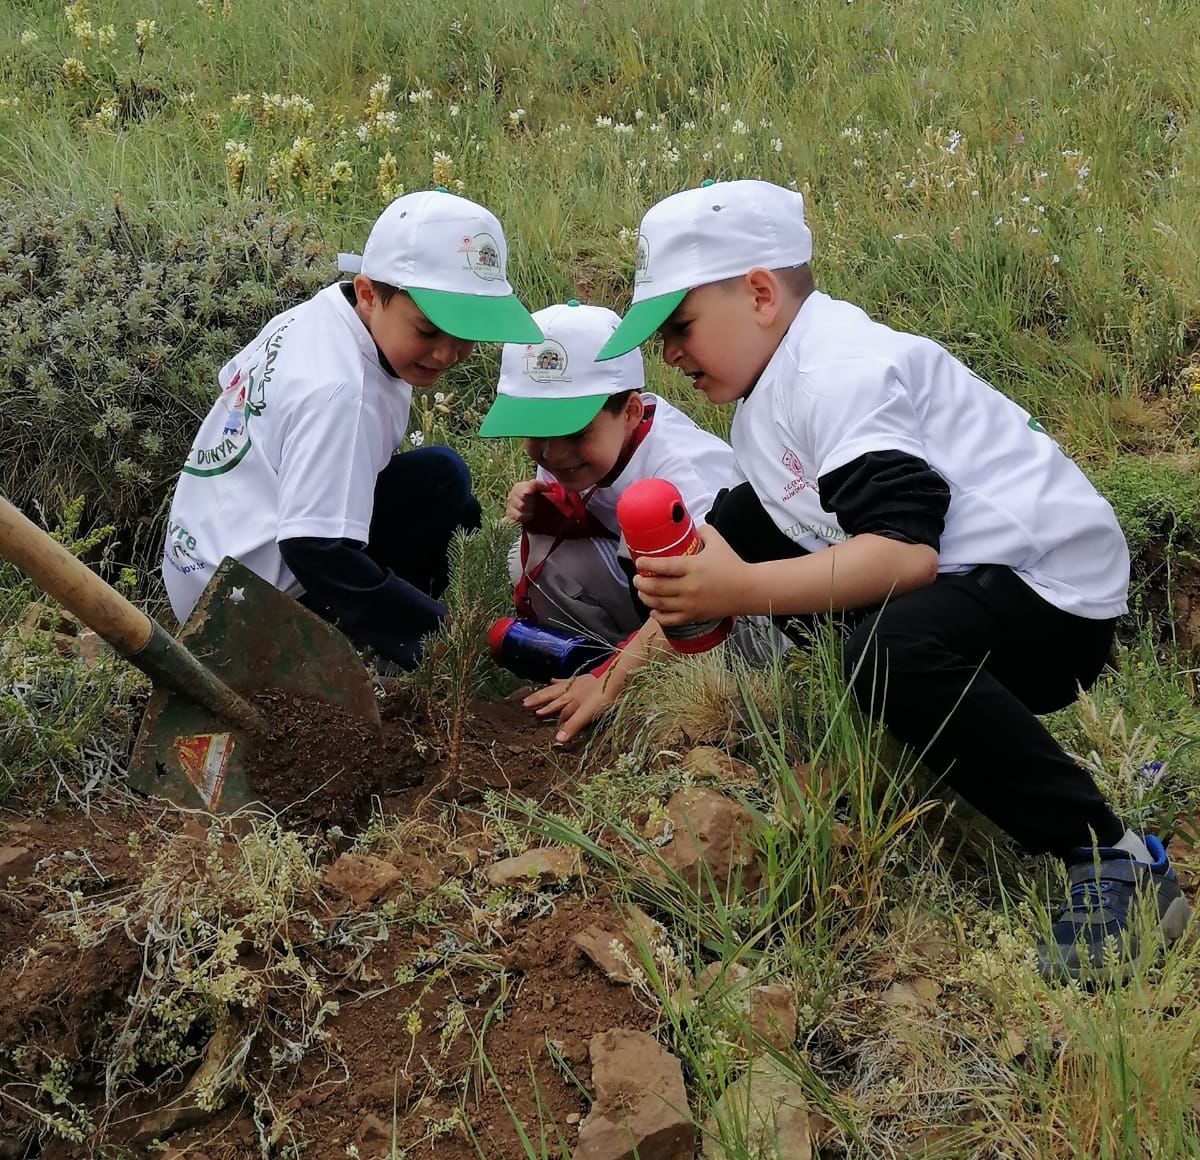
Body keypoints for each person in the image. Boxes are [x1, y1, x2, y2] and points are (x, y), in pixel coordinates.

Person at [545, 178, 1189, 981]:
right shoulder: (770, 393)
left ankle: (1113, 856)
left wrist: (739, 592)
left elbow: (905, 555)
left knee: (884, 652)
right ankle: (948, 756)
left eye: (678, 327)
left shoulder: (836, 371)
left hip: (1052, 596)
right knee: (773, 544)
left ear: (758, 294)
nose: (670, 355)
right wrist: (618, 672)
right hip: (978, 581)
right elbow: (739, 526)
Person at [163, 189, 541, 672]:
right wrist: (442, 634)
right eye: (428, 331)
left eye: (465, 336)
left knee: (443, 484)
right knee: (439, 498)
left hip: (206, 561)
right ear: (368, 293)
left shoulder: (321, 314)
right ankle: (379, 663)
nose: (447, 354)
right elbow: (317, 552)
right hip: (241, 611)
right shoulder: (342, 393)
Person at [479, 300, 788, 669]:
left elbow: (708, 585)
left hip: (751, 620)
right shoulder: (585, 450)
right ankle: (602, 665)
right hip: (659, 602)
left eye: (574, 432)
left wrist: (613, 678)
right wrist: (552, 513)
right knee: (533, 554)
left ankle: (673, 681)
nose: (554, 454)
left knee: (646, 519)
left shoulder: (680, 468)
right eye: (536, 432)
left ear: (630, 411)